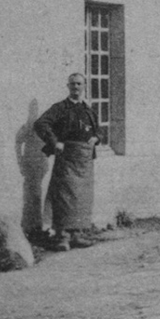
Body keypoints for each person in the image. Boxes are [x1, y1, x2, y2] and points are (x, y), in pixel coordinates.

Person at [33, 72, 104, 251]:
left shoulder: (88, 110)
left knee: (81, 199)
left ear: (84, 86)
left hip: (85, 160)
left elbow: (99, 130)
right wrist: (54, 142)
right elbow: (40, 124)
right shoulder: (60, 108)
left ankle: (77, 235)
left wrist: (96, 138)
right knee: (64, 197)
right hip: (67, 160)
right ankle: (62, 237)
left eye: (79, 84)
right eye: (72, 84)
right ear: (68, 86)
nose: (76, 87)